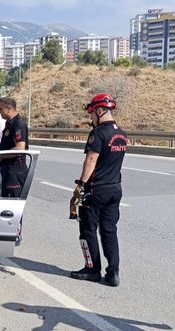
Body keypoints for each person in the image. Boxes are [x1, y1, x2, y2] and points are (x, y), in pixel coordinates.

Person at [70, 93, 127, 287]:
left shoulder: (98, 134)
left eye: (92, 114)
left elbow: (91, 159)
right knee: (109, 231)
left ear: (100, 111)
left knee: (87, 230)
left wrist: (81, 185)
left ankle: (92, 269)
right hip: (115, 189)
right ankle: (113, 273)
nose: (91, 118)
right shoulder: (121, 133)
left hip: (95, 190)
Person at [0, 97, 29, 198]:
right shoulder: (9, 124)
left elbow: (20, 148)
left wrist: (1, 156)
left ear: (9, 109)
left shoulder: (18, 125)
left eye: (1, 109)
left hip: (15, 172)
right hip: (8, 170)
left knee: (12, 208)